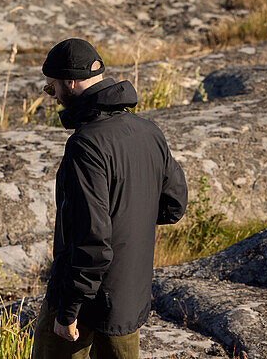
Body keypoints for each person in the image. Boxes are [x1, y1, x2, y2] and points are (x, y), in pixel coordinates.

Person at [31, 38, 187, 359]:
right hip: (129, 299)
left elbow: (91, 241)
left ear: (70, 82)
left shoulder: (85, 145)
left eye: (53, 88)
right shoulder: (149, 132)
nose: (54, 96)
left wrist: (68, 311)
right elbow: (174, 206)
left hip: (83, 300)